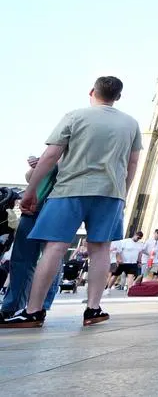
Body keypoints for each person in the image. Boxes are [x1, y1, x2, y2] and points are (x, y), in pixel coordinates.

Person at [2, 76, 142, 329]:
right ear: (118, 97)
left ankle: (33, 311)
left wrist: (31, 190)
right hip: (110, 193)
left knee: (55, 248)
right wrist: (123, 193)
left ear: (92, 92)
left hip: (70, 189)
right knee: (101, 250)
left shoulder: (75, 116)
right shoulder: (131, 124)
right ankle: (93, 309)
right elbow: (133, 164)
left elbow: (51, 155)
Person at [0, 156, 60, 320]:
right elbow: (29, 177)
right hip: (33, 205)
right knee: (21, 258)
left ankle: (40, 307)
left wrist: (51, 161)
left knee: (51, 257)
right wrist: (38, 165)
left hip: (58, 206)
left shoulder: (74, 149)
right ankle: (11, 306)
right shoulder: (54, 149)